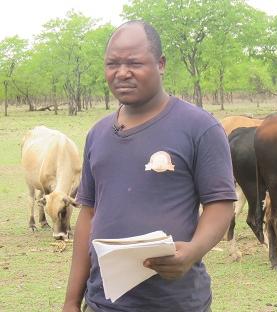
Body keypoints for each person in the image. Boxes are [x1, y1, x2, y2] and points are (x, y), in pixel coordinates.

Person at [62, 20, 237, 312]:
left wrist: (192, 252)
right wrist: (71, 301)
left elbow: (220, 204)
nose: (122, 73)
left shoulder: (199, 127)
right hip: (103, 302)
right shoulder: (98, 134)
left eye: (134, 63)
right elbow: (88, 217)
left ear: (161, 64)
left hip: (176, 303)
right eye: (112, 64)